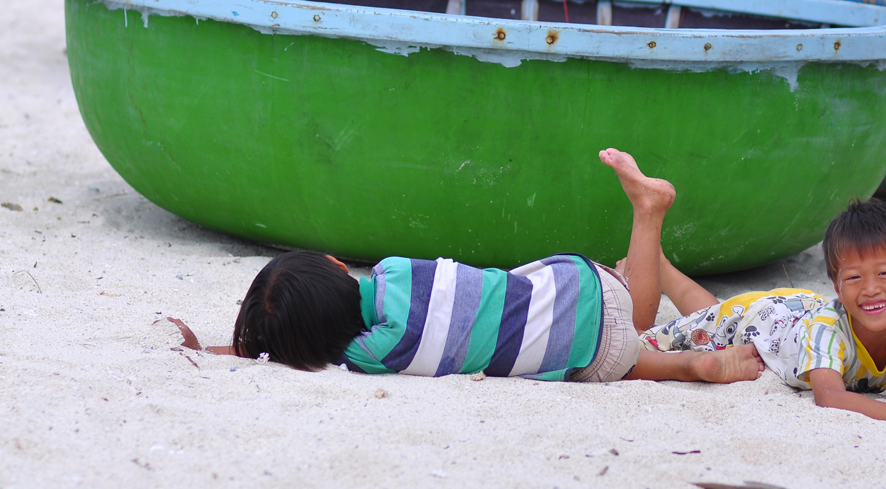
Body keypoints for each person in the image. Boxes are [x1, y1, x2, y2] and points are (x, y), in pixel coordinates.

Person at [190, 149, 764, 385]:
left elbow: (304, 353)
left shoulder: (371, 353)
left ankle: (689, 364)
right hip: (570, 281)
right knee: (596, 299)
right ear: (340, 265)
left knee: (628, 346)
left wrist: (235, 348)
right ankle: (643, 235)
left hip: (595, 343)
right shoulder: (394, 269)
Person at [633, 199, 886, 427]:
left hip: (797, 318)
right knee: (645, 338)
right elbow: (830, 396)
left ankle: (662, 267)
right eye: (854, 277)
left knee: (713, 316)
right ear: (837, 286)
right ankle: (649, 260)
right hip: (766, 321)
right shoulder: (830, 329)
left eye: (885, 274)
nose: (870, 289)